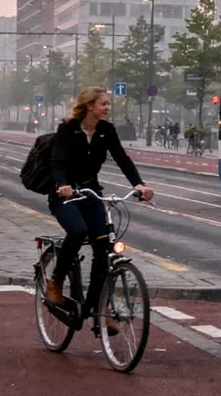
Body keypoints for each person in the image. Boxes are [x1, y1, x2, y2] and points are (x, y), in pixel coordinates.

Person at [44, 87, 155, 324]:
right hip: (65, 194)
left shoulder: (106, 130)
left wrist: (138, 184)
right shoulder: (68, 129)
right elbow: (56, 162)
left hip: (91, 192)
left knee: (103, 246)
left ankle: (97, 305)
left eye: (107, 104)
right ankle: (56, 281)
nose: (107, 108)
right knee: (78, 231)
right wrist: (63, 185)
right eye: (103, 104)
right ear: (90, 105)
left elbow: (122, 158)